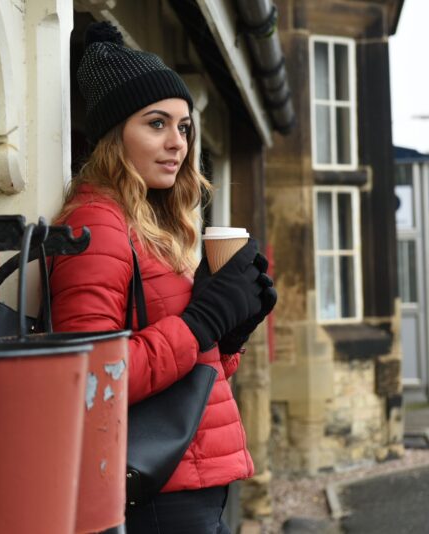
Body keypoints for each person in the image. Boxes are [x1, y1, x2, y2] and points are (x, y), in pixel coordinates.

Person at [50, 22, 277, 534]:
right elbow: (91, 376)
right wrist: (202, 322)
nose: (177, 142)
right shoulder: (97, 224)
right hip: (155, 491)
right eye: (156, 124)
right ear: (114, 135)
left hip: (193, 479)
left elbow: (183, 370)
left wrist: (230, 333)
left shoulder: (153, 224)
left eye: (184, 127)